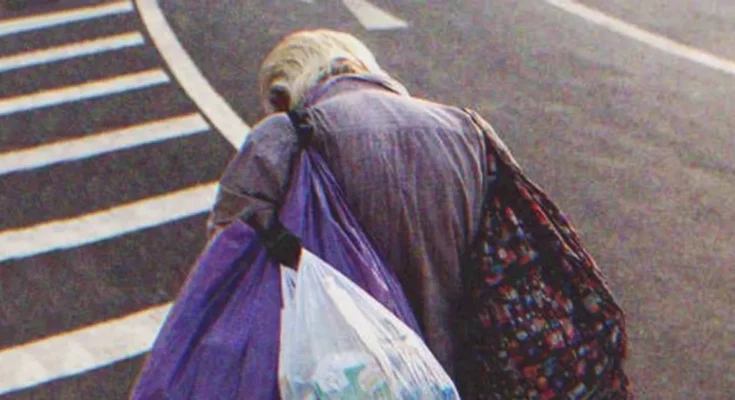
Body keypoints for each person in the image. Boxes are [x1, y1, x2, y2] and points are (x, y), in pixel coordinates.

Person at [207, 29, 630, 398]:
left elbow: (225, 267)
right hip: (448, 374)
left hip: (340, 379)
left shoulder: (286, 136)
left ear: (282, 94)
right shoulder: (467, 131)